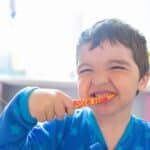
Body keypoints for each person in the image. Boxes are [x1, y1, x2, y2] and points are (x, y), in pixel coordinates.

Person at [0, 19, 150, 150]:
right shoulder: (59, 130)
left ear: (142, 80)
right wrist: (24, 107)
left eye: (116, 67)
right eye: (86, 69)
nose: (98, 80)